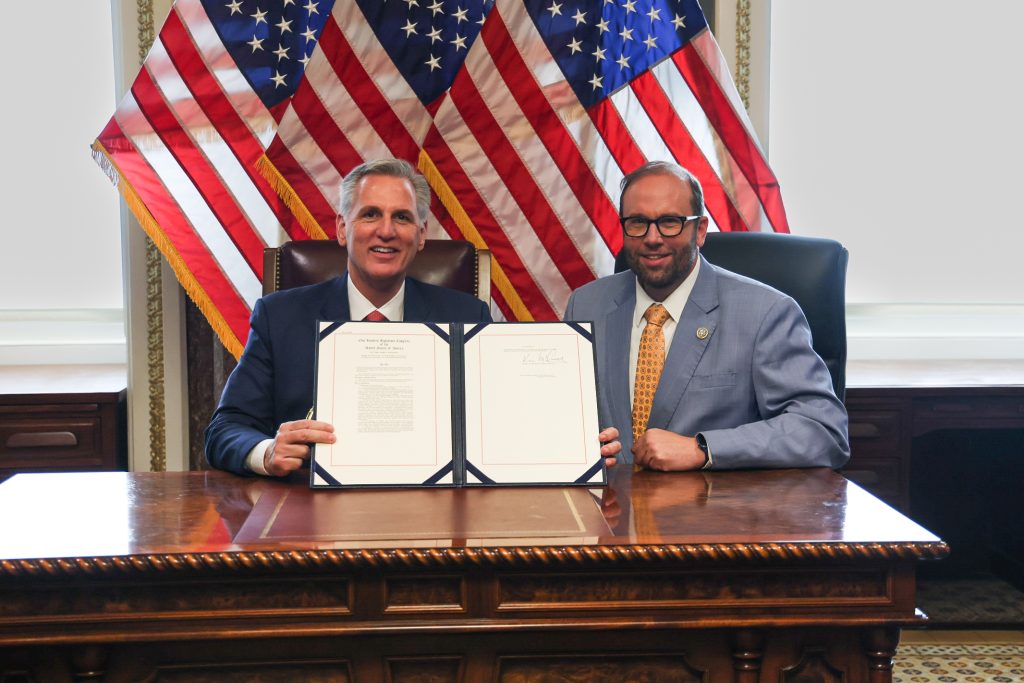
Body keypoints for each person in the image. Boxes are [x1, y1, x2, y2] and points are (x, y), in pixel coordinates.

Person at [205, 158, 493, 477]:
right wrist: (268, 452)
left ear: (421, 234)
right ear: (343, 229)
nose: (386, 231)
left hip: (433, 498)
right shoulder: (279, 317)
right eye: (370, 214)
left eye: (402, 217)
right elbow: (225, 429)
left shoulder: (467, 318)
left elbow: (496, 427)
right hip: (310, 502)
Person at [564, 161, 849, 471]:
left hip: (710, 500)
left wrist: (702, 448)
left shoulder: (765, 314)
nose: (652, 238)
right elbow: (560, 412)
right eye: (637, 222)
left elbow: (823, 430)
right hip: (608, 499)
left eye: (670, 222)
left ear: (700, 231)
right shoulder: (586, 305)